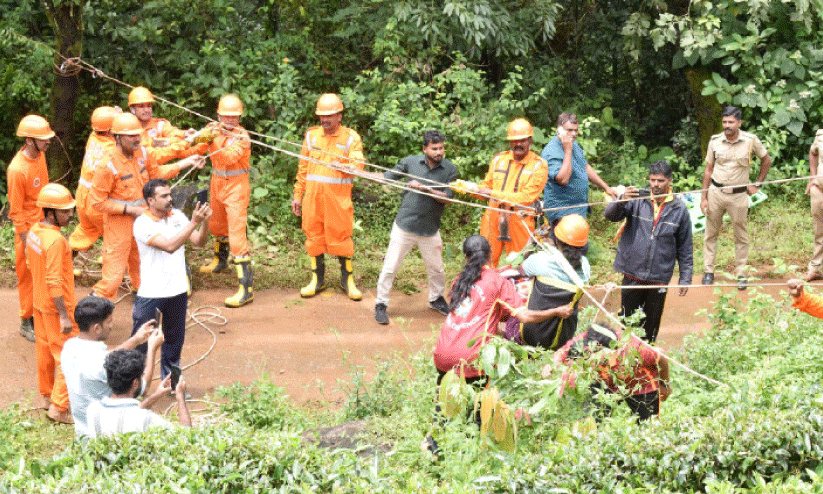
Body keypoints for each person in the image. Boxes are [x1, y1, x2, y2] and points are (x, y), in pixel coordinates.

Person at [89, 113, 205, 300]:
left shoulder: (143, 153)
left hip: (143, 221)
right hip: (119, 225)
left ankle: (144, 308)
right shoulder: (107, 165)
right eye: (131, 136)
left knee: (143, 271)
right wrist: (131, 210)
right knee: (112, 279)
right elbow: (97, 202)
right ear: (117, 137)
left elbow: (156, 173)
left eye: (138, 134)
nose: (137, 139)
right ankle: (90, 314)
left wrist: (186, 162)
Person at [432, 235, 573, 383]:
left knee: (444, 402)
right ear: (491, 253)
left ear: (465, 256)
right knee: (477, 404)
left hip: (442, 354)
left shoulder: (459, 281)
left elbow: (474, 318)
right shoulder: (497, 281)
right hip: (470, 360)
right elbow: (525, 317)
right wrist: (556, 311)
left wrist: (502, 334)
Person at [372, 130, 459, 325]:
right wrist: (357, 171)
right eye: (434, 148)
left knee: (436, 268)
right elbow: (387, 176)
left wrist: (425, 188)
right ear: (425, 149)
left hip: (430, 228)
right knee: (390, 266)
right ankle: (381, 303)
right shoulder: (411, 162)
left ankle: (436, 298)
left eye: (441, 148)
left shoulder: (449, 170)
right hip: (405, 225)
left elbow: (447, 199)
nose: (439, 152)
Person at [604, 160, 693, 342]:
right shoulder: (637, 199)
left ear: (669, 181)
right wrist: (621, 200)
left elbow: (685, 246)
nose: (655, 185)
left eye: (660, 181)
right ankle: (627, 361)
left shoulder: (679, 209)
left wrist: (685, 277)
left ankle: (646, 364)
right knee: (627, 324)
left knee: (650, 328)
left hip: (658, 279)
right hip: (632, 273)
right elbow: (610, 215)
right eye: (653, 180)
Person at [132, 179, 211, 381]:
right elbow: (169, 246)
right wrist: (193, 222)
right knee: (141, 343)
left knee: (174, 343)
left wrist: (204, 222)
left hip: (177, 291)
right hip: (151, 294)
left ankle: (171, 384)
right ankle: (132, 385)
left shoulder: (177, 216)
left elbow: (199, 242)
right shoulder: (142, 223)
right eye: (164, 196)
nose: (170, 199)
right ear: (150, 200)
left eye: (170, 194)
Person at [292, 93, 365, 301]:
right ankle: (317, 279)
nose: (325, 120)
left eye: (330, 116)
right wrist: (298, 194)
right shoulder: (311, 136)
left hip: (337, 201)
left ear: (339, 116)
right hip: (313, 199)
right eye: (322, 116)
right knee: (313, 237)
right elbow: (303, 168)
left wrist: (345, 165)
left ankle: (347, 279)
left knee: (341, 238)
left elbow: (359, 165)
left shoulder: (351, 138)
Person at [62, 296, 165, 438]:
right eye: (109, 322)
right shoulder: (101, 366)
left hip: (83, 430)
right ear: (97, 328)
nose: (111, 326)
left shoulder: (70, 347)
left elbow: (108, 356)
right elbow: (142, 387)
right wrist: (152, 348)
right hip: (109, 438)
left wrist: (136, 340)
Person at [700, 106, 771, 290]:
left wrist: (758, 183)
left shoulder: (750, 141)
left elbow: (766, 159)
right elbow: (708, 169)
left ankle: (741, 274)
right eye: (724, 122)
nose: (727, 125)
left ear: (739, 123)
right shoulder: (715, 141)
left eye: (731, 122)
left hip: (739, 196)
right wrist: (704, 197)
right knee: (711, 233)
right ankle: (708, 271)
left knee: (741, 235)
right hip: (716, 193)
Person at [25, 184, 78, 423]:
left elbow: (34, 264)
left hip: (39, 303)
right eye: (65, 211)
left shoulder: (35, 231)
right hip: (57, 307)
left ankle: (47, 397)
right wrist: (64, 315)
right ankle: (59, 408)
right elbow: (55, 281)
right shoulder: (56, 240)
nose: (70, 215)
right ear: (50, 212)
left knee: (44, 353)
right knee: (69, 356)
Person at [198, 94, 254, 307]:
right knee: (217, 224)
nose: (230, 120)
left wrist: (215, 136)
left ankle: (246, 289)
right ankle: (219, 262)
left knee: (237, 235)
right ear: (218, 114)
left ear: (239, 117)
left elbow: (228, 156)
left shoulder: (243, 136)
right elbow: (198, 146)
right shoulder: (212, 129)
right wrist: (201, 136)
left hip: (237, 186)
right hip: (217, 182)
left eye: (234, 117)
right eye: (226, 116)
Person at [552, 322, 671, 421]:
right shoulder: (586, 340)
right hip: (605, 384)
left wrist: (665, 385)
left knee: (648, 425)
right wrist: (554, 369)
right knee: (591, 420)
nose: (591, 363)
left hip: (641, 386)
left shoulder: (636, 349)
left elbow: (661, 359)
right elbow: (560, 354)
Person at [508, 214, 591, 350]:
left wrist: (532, 241)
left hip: (531, 335)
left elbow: (518, 268)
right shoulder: (585, 266)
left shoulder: (541, 260)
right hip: (562, 338)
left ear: (557, 238)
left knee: (512, 291)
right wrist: (553, 249)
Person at [475, 118, 548, 267]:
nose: (518, 144)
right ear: (510, 142)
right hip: (493, 216)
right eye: (515, 140)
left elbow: (527, 197)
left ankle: (516, 290)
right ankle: (488, 289)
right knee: (484, 263)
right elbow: (486, 185)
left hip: (519, 219)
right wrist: (474, 190)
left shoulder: (538, 165)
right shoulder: (498, 159)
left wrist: (492, 193)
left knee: (521, 265)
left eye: (523, 140)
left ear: (530, 141)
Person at [541, 112, 616, 249]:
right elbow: (562, 179)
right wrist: (568, 151)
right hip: (562, 213)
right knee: (566, 254)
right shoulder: (551, 150)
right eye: (569, 130)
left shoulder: (573, 145)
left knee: (579, 251)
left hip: (578, 211)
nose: (574, 134)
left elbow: (585, 167)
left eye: (576, 130)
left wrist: (606, 187)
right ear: (559, 129)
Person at [7, 115, 53, 341]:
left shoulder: (41, 155)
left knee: (46, 273)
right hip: (27, 229)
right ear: (29, 140)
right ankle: (26, 321)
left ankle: (41, 314)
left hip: (45, 223)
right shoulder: (17, 170)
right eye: (43, 138)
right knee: (27, 276)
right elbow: (15, 211)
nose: (48, 142)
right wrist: (26, 243)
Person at [85, 349, 191, 439]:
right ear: (135, 383)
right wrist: (180, 398)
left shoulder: (93, 410)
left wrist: (156, 395)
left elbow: (126, 412)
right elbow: (185, 436)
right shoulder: (147, 419)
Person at [69, 106, 118, 255]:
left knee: (85, 230)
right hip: (98, 202)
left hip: (82, 197)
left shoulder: (93, 136)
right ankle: (113, 272)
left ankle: (61, 263)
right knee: (116, 236)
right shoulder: (113, 148)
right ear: (110, 131)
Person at [804, 129, 823, 281]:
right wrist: (813, 177)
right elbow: (813, 153)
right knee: (819, 232)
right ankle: (816, 268)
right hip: (819, 190)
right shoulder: (820, 135)